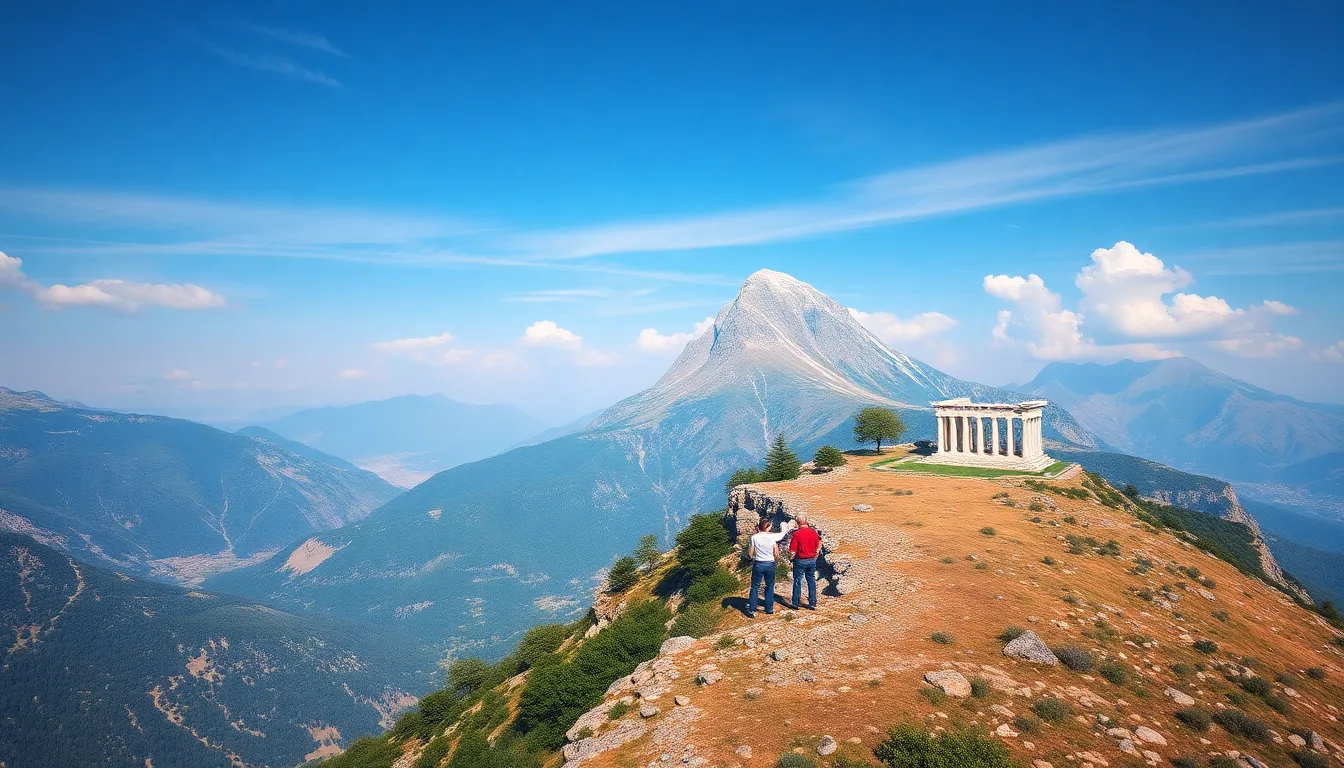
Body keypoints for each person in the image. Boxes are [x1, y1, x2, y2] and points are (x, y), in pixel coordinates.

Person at [747, 517, 794, 617]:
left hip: (759, 563)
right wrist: (784, 527)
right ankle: (769, 609)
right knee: (770, 586)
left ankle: (752, 609)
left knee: (755, 586)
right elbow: (782, 535)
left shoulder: (754, 537)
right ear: (768, 527)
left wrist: (752, 557)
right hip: (770, 563)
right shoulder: (772, 537)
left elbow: (751, 553)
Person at [789, 513, 821, 610]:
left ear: (797, 522)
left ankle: (796, 602)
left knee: (797, 580)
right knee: (811, 580)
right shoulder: (813, 532)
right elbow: (818, 545)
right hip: (811, 559)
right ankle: (812, 602)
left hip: (800, 560)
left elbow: (792, 550)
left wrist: (790, 559)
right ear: (806, 521)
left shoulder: (797, 534)